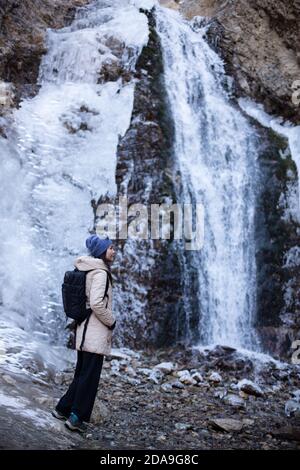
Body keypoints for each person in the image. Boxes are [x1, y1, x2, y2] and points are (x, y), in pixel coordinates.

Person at [52, 235, 116, 433]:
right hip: (94, 333)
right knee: (89, 377)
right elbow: (97, 303)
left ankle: (62, 409)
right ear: (101, 252)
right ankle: (76, 417)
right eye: (111, 248)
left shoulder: (87, 269)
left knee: (82, 374)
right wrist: (111, 321)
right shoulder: (100, 273)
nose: (114, 251)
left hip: (84, 330)